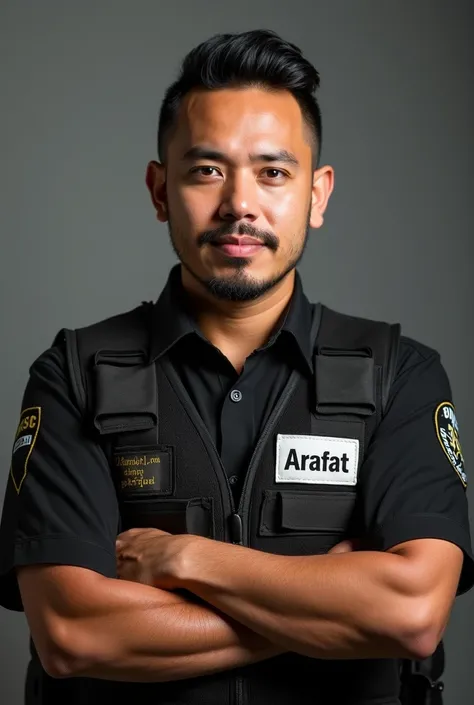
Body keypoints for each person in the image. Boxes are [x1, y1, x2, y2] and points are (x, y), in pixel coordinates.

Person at [0, 28, 472, 705]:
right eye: (206, 170)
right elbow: (74, 633)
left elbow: (412, 613)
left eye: (273, 172)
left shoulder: (402, 375)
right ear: (160, 190)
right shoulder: (73, 374)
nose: (239, 205)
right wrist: (334, 605)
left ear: (318, 193)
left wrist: (192, 560)